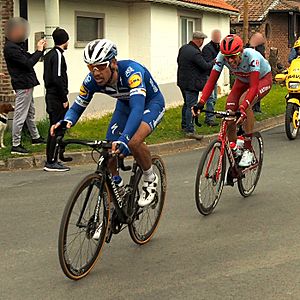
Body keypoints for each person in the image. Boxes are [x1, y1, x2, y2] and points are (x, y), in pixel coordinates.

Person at [51, 39, 165, 207]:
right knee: (108, 149)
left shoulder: (132, 73)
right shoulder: (91, 81)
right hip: (125, 105)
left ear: (113, 63)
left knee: (134, 141)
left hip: (149, 104)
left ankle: (149, 177)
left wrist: (125, 139)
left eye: (101, 66)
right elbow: (77, 106)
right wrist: (66, 122)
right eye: (91, 67)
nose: (96, 72)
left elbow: (137, 110)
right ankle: (116, 188)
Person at [193, 34, 272, 169]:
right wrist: (201, 102)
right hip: (241, 80)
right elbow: (211, 81)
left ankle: (248, 149)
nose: (229, 61)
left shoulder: (252, 56)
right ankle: (234, 147)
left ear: (241, 52)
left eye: (233, 56)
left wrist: (243, 108)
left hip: (261, 80)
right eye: (226, 57)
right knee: (228, 113)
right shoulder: (221, 57)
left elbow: (253, 87)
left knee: (244, 103)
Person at [4, 17, 46, 155]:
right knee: (20, 114)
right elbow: (28, 63)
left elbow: (29, 58)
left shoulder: (16, 46)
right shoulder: (11, 49)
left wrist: (39, 51)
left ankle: (36, 137)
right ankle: (16, 145)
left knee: (30, 112)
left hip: (27, 83)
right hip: (23, 85)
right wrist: (39, 51)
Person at [43, 28, 71, 172]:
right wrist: (64, 97)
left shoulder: (48, 55)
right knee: (58, 127)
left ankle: (51, 158)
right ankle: (52, 161)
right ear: (65, 41)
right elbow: (58, 77)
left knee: (53, 127)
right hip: (56, 97)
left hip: (50, 95)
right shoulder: (58, 55)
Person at [177, 31, 213, 139]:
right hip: (192, 84)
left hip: (182, 81)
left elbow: (178, 61)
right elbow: (205, 66)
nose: (202, 43)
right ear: (199, 40)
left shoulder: (183, 48)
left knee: (186, 104)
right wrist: (213, 62)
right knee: (192, 106)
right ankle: (190, 130)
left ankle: (184, 125)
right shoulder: (195, 53)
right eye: (202, 40)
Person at [202, 29, 221, 126]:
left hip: (214, 76)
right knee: (210, 98)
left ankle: (211, 115)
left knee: (214, 98)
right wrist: (214, 61)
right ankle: (209, 119)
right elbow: (207, 64)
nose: (218, 38)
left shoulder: (218, 47)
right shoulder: (207, 48)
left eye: (219, 36)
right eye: (217, 36)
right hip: (208, 76)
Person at [247, 32, 266, 113]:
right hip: (249, 71)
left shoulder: (261, 47)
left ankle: (257, 107)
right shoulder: (248, 47)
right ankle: (250, 107)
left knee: (257, 89)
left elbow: (262, 57)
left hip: (258, 71)